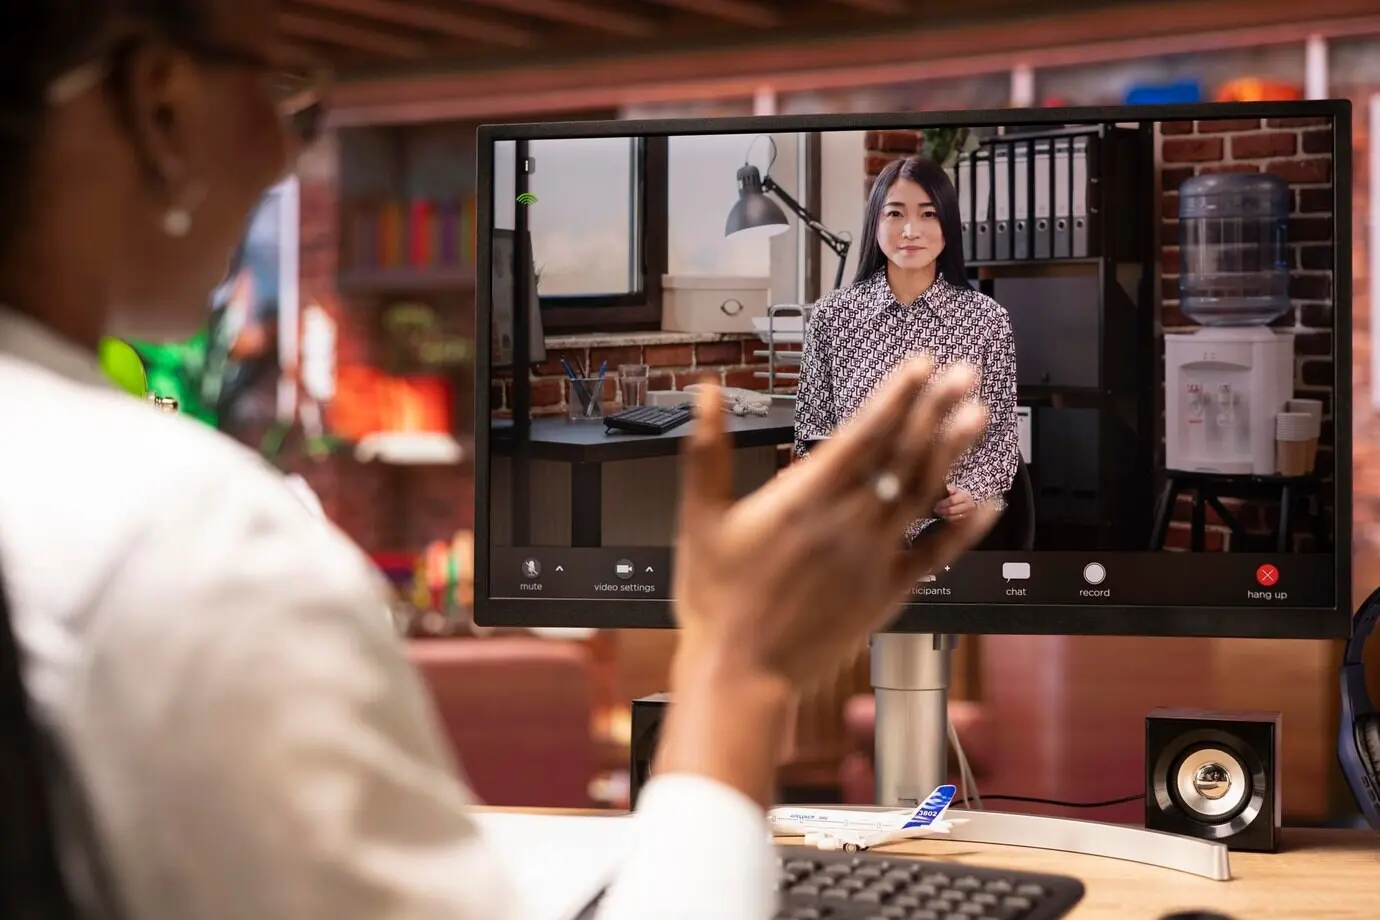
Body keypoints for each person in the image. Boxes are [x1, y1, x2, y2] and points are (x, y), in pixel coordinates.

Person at [0, 4, 998, 919]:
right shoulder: (193, 541)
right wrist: (740, 666)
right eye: (277, 89)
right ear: (158, 104)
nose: (278, 153)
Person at [794, 155, 1021, 540]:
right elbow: (811, 432)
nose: (911, 231)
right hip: (859, 524)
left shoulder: (987, 319)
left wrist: (972, 491)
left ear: (948, 223)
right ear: (875, 223)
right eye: (895, 214)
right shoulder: (832, 316)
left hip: (949, 527)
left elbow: (1000, 436)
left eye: (928, 214)